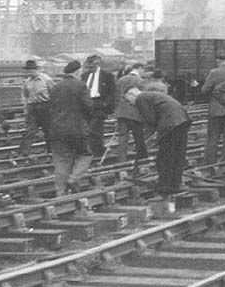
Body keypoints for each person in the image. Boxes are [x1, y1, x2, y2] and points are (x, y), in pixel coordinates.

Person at [124, 86, 192, 214]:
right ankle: (175, 185)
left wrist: (144, 142)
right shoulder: (151, 95)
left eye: (128, 100)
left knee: (164, 158)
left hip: (170, 123)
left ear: (131, 94)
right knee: (177, 156)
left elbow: (150, 119)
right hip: (182, 120)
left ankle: (164, 189)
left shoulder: (140, 98)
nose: (130, 104)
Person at [50, 61, 94, 196]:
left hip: (57, 129)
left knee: (61, 160)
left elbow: (50, 108)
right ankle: (73, 179)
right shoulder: (81, 86)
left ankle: (60, 193)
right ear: (77, 72)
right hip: (77, 128)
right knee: (85, 155)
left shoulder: (55, 87)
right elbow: (89, 107)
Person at [200, 53, 225, 166]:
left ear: (217, 60)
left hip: (216, 110)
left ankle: (210, 163)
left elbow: (205, 90)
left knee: (213, 137)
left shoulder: (214, 72)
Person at [81, 54, 116, 158]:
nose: (90, 69)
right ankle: (94, 150)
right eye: (88, 67)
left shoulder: (107, 76)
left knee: (95, 129)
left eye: (92, 67)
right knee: (88, 129)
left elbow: (112, 92)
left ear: (97, 65)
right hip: (87, 104)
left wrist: (106, 104)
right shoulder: (85, 76)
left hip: (99, 104)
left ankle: (96, 152)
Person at [114, 63, 148, 162]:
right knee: (138, 137)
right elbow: (143, 98)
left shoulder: (121, 80)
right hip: (135, 113)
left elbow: (116, 96)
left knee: (122, 137)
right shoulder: (140, 81)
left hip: (121, 112)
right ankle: (141, 159)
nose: (143, 72)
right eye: (143, 70)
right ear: (139, 68)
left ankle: (121, 160)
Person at [19, 59, 53, 159]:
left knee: (48, 130)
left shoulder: (46, 79)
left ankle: (51, 151)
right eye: (28, 71)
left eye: (31, 71)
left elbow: (54, 93)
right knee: (30, 131)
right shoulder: (27, 82)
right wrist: (26, 109)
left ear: (36, 70)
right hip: (32, 108)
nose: (29, 73)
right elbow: (26, 96)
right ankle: (24, 153)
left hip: (45, 107)